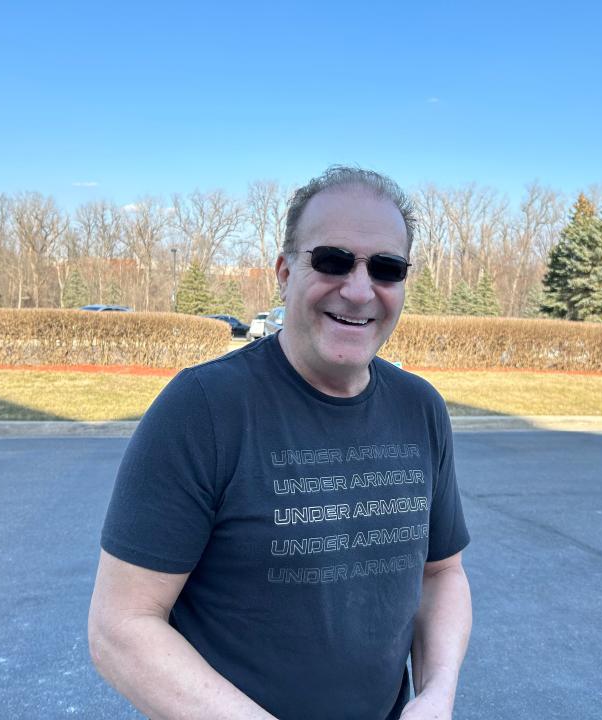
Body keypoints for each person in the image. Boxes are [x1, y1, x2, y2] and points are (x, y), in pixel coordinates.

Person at [88, 166, 472, 720]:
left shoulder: (421, 408)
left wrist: (436, 695)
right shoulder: (203, 408)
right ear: (285, 271)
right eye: (332, 261)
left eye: (386, 268)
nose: (360, 289)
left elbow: (442, 574)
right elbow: (120, 628)